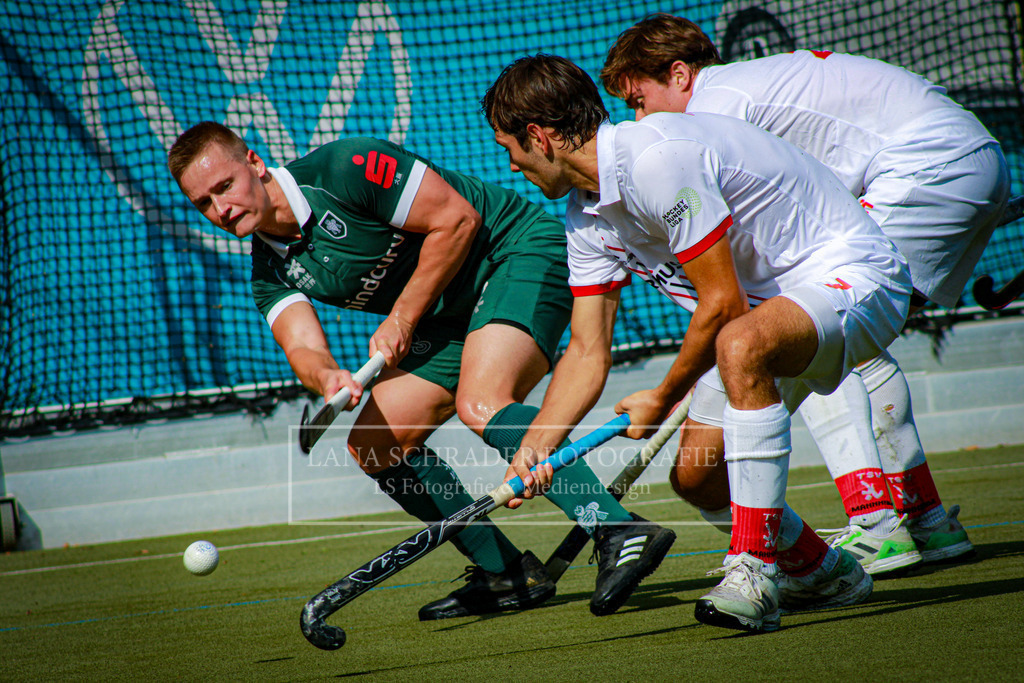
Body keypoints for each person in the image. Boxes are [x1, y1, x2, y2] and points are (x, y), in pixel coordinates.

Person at [167, 122, 674, 620]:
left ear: (254, 163)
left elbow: (456, 221)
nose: (221, 209)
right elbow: (302, 345)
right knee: (373, 444)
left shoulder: (344, 167)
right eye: (203, 204)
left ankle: (614, 529)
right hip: (447, 318)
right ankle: (506, 572)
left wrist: (403, 316)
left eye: (224, 187)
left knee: (482, 400)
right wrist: (327, 378)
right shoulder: (268, 272)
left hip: (511, 254)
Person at [482, 53, 911, 632]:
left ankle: (753, 571)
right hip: (763, 319)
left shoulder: (656, 158)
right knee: (700, 478)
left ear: (538, 136)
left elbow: (722, 306)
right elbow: (586, 350)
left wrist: (660, 395)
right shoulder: (585, 220)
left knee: (738, 343)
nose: (511, 166)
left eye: (510, 148)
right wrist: (534, 450)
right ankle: (821, 572)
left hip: (850, 276)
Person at [599, 13, 1011, 575]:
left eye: (639, 100)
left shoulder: (712, 112)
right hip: (962, 160)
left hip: (925, 167)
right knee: (847, 341)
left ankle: (878, 524)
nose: (637, 118)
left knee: (806, 334)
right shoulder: (745, 88)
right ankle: (925, 521)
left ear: (679, 74)